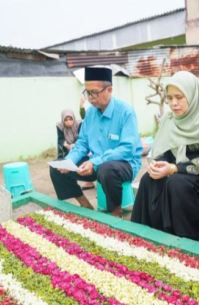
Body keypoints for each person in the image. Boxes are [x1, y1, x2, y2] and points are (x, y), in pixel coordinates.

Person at [131, 71, 199, 240]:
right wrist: (158, 164)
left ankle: (188, 238)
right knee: (148, 179)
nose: (173, 103)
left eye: (179, 97)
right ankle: (145, 235)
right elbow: (164, 149)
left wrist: (174, 168)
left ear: (191, 95)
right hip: (175, 171)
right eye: (169, 97)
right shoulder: (170, 118)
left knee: (175, 182)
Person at [50, 67, 143, 217]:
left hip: (125, 163)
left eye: (94, 93)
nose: (91, 98)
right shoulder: (91, 113)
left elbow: (127, 149)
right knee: (57, 167)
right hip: (96, 163)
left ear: (109, 90)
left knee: (106, 169)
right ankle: (85, 205)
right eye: (87, 93)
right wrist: (69, 161)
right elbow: (82, 142)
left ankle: (115, 212)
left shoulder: (126, 112)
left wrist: (96, 162)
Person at [56, 108, 94, 190]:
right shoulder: (60, 126)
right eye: (66, 120)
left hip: (81, 148)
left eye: (70, 119)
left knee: (99, 168)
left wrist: (75, 145)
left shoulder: (80, 124)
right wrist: (65, 144)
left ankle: (90, 182)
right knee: (56, 168)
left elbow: (82, 140)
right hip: (73, 149)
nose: (69, 122)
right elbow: (60, 139)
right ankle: (81, 199)